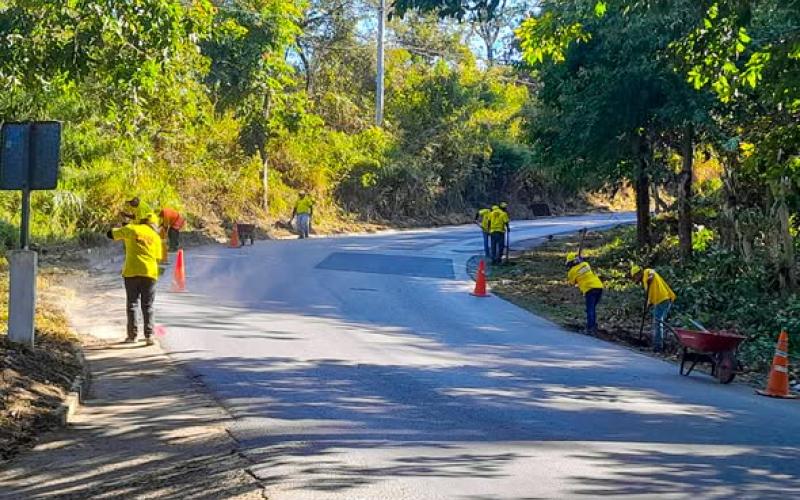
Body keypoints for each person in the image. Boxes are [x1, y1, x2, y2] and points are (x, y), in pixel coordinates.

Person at [107, 213, 163, 346]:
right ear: (153, 224)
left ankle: (132, 336)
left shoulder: (132, 229)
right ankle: (149, 336)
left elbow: (110, 234)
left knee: (132, 304)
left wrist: (122, 226)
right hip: (149, 273)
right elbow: (158, 257)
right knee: (148, 305)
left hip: (131, 272)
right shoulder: (156, 237)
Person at [631, 265, 676, 352]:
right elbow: (650, 294)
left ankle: (658, 347)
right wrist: (648, 305)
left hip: (663, 299)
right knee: (658, 323)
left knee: (658, 322)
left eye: (635, 276)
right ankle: (659, 344)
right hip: (659, 300)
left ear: (638, 273)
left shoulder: (646, 272)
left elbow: (652, 271)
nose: (636, 279)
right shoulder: (644, 281)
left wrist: (651, 276)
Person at [566, 252, 604, 335]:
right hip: (599, 287)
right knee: (592, 308)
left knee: (590, 309)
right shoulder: (586, 264)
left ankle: (591, 328)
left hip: (589, 289)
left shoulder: (572, 272)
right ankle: (593, 325)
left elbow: (572, 283)